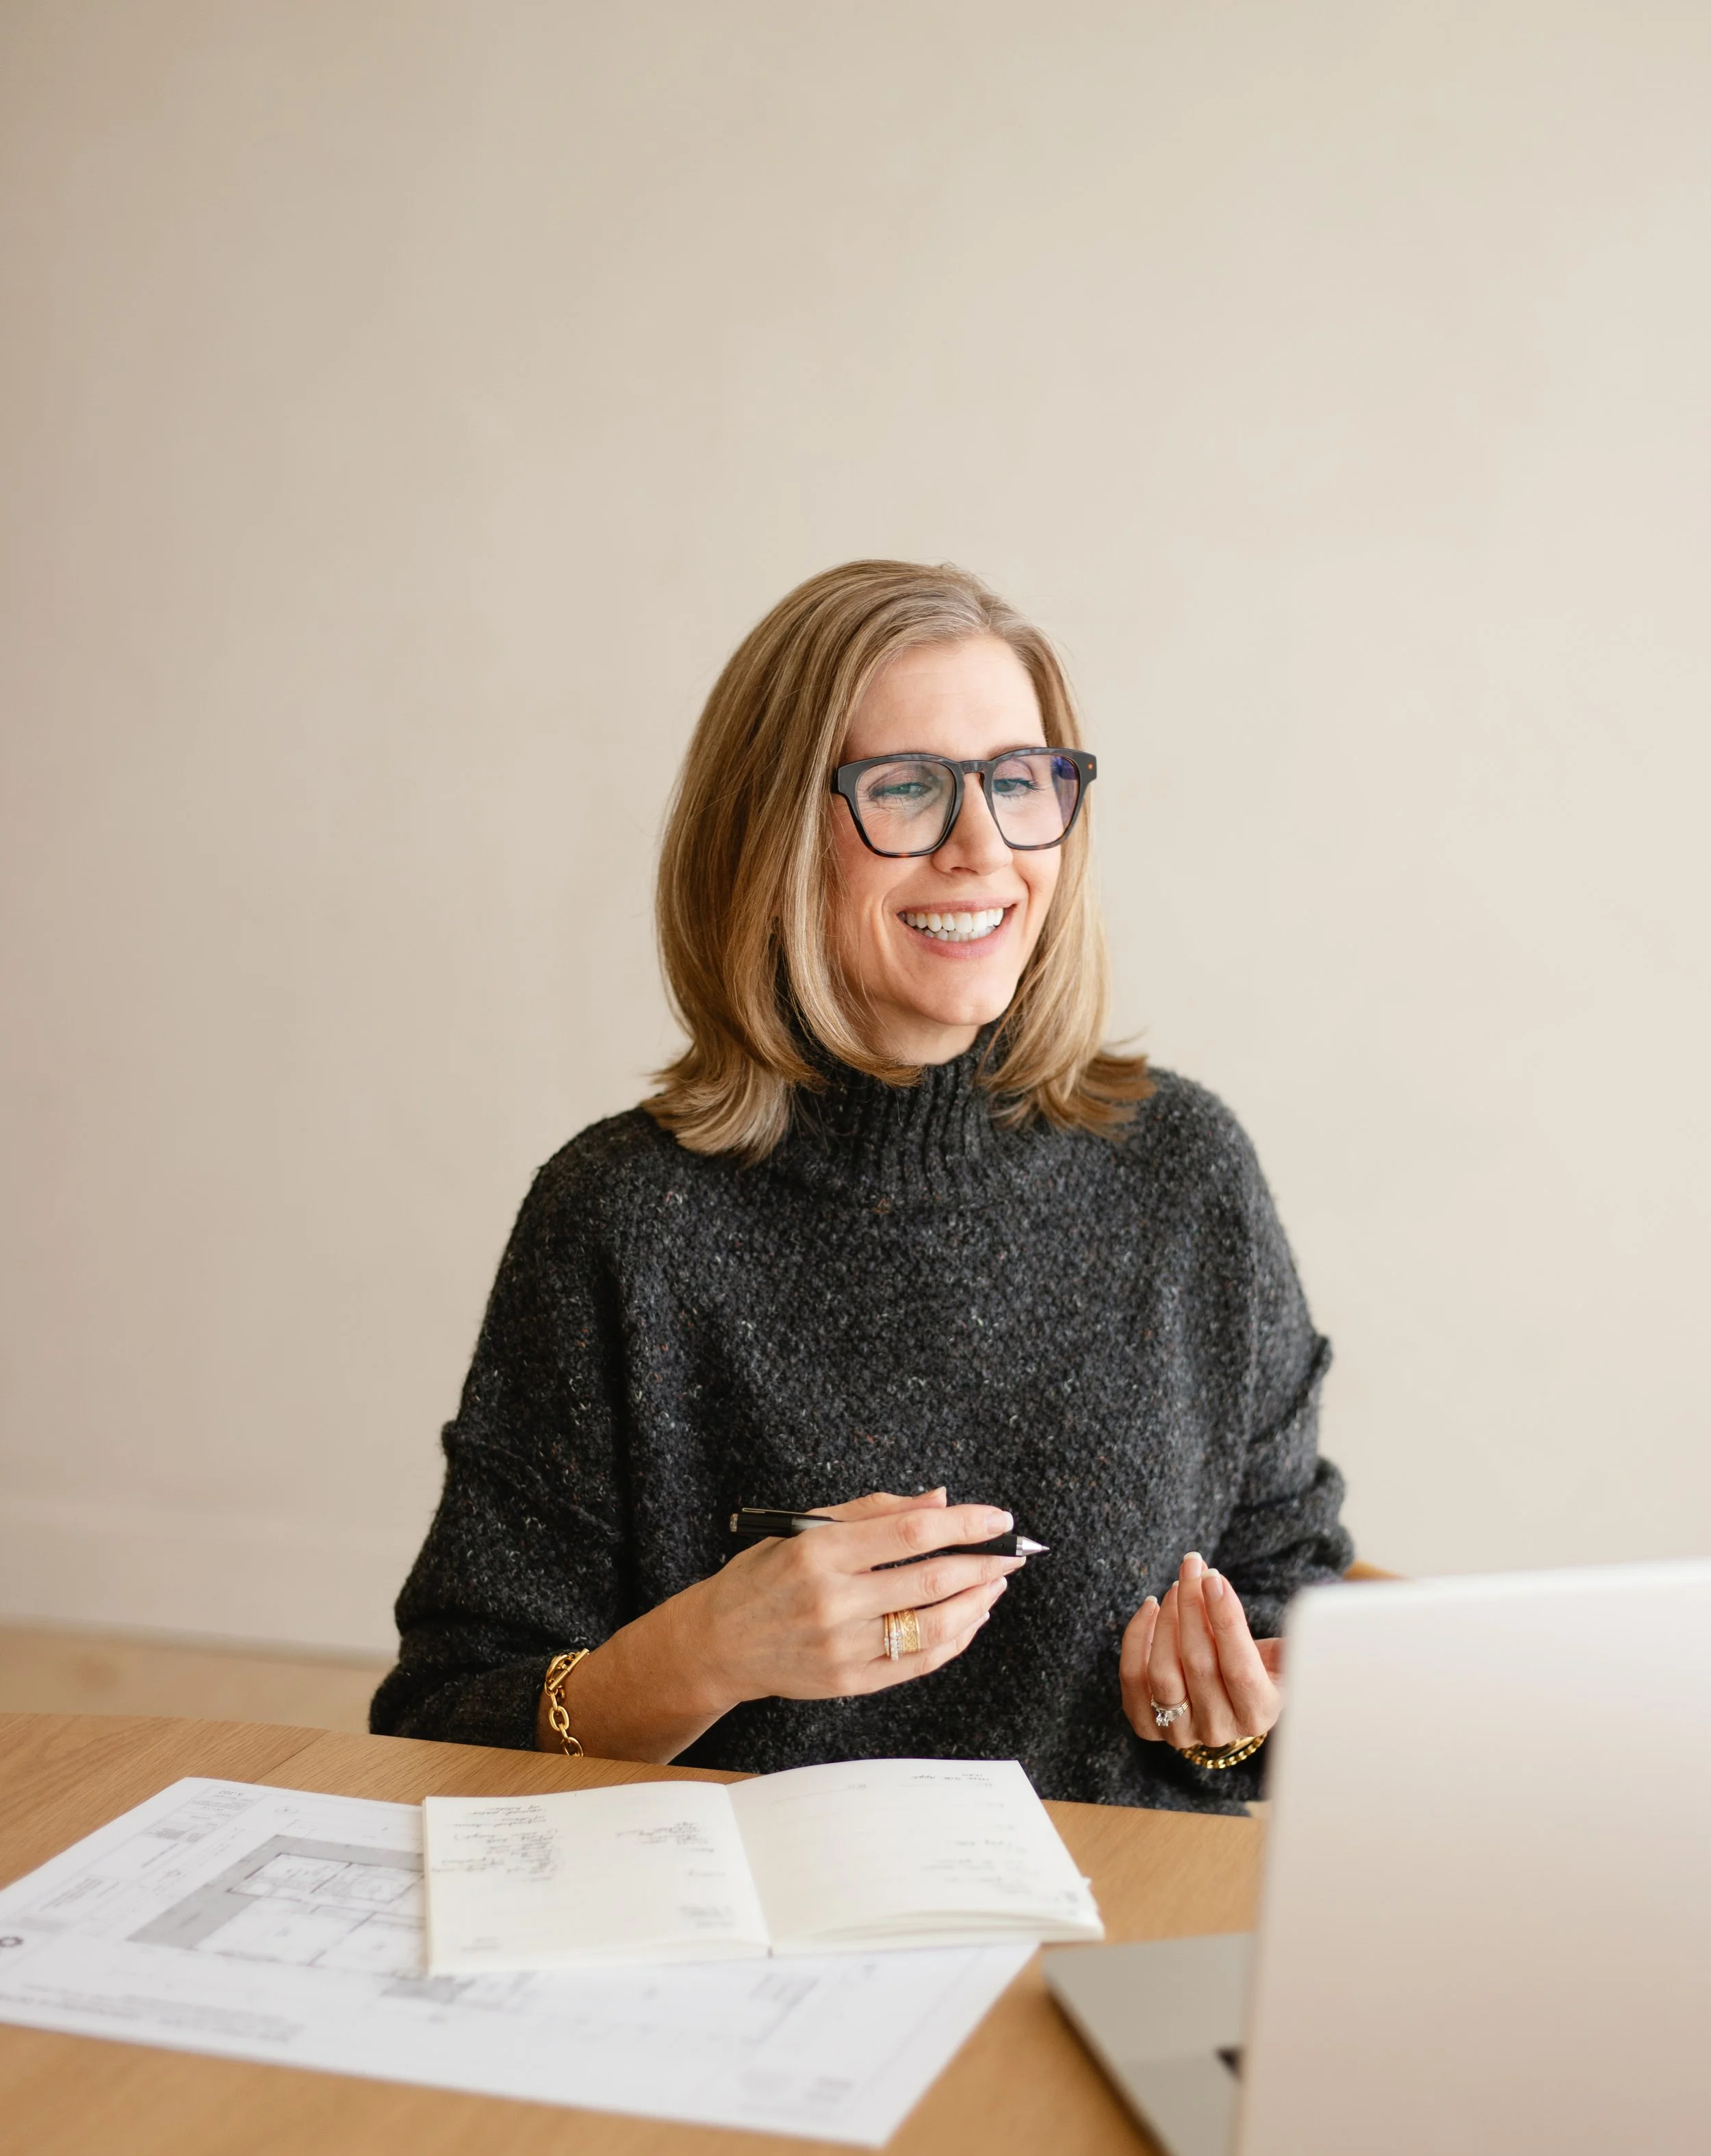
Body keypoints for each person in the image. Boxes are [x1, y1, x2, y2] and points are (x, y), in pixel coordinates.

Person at [371, 559, 1352, 1808]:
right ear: (772, 834)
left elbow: (1290, 1603)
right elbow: (435, 1729)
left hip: (1109, 1929)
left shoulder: (1186, 1174)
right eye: (905, 788)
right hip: (746, 1960)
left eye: (1018, 781)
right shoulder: (620, 1219)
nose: (982, 847)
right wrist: (702, 1653)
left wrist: (1223, 1716)